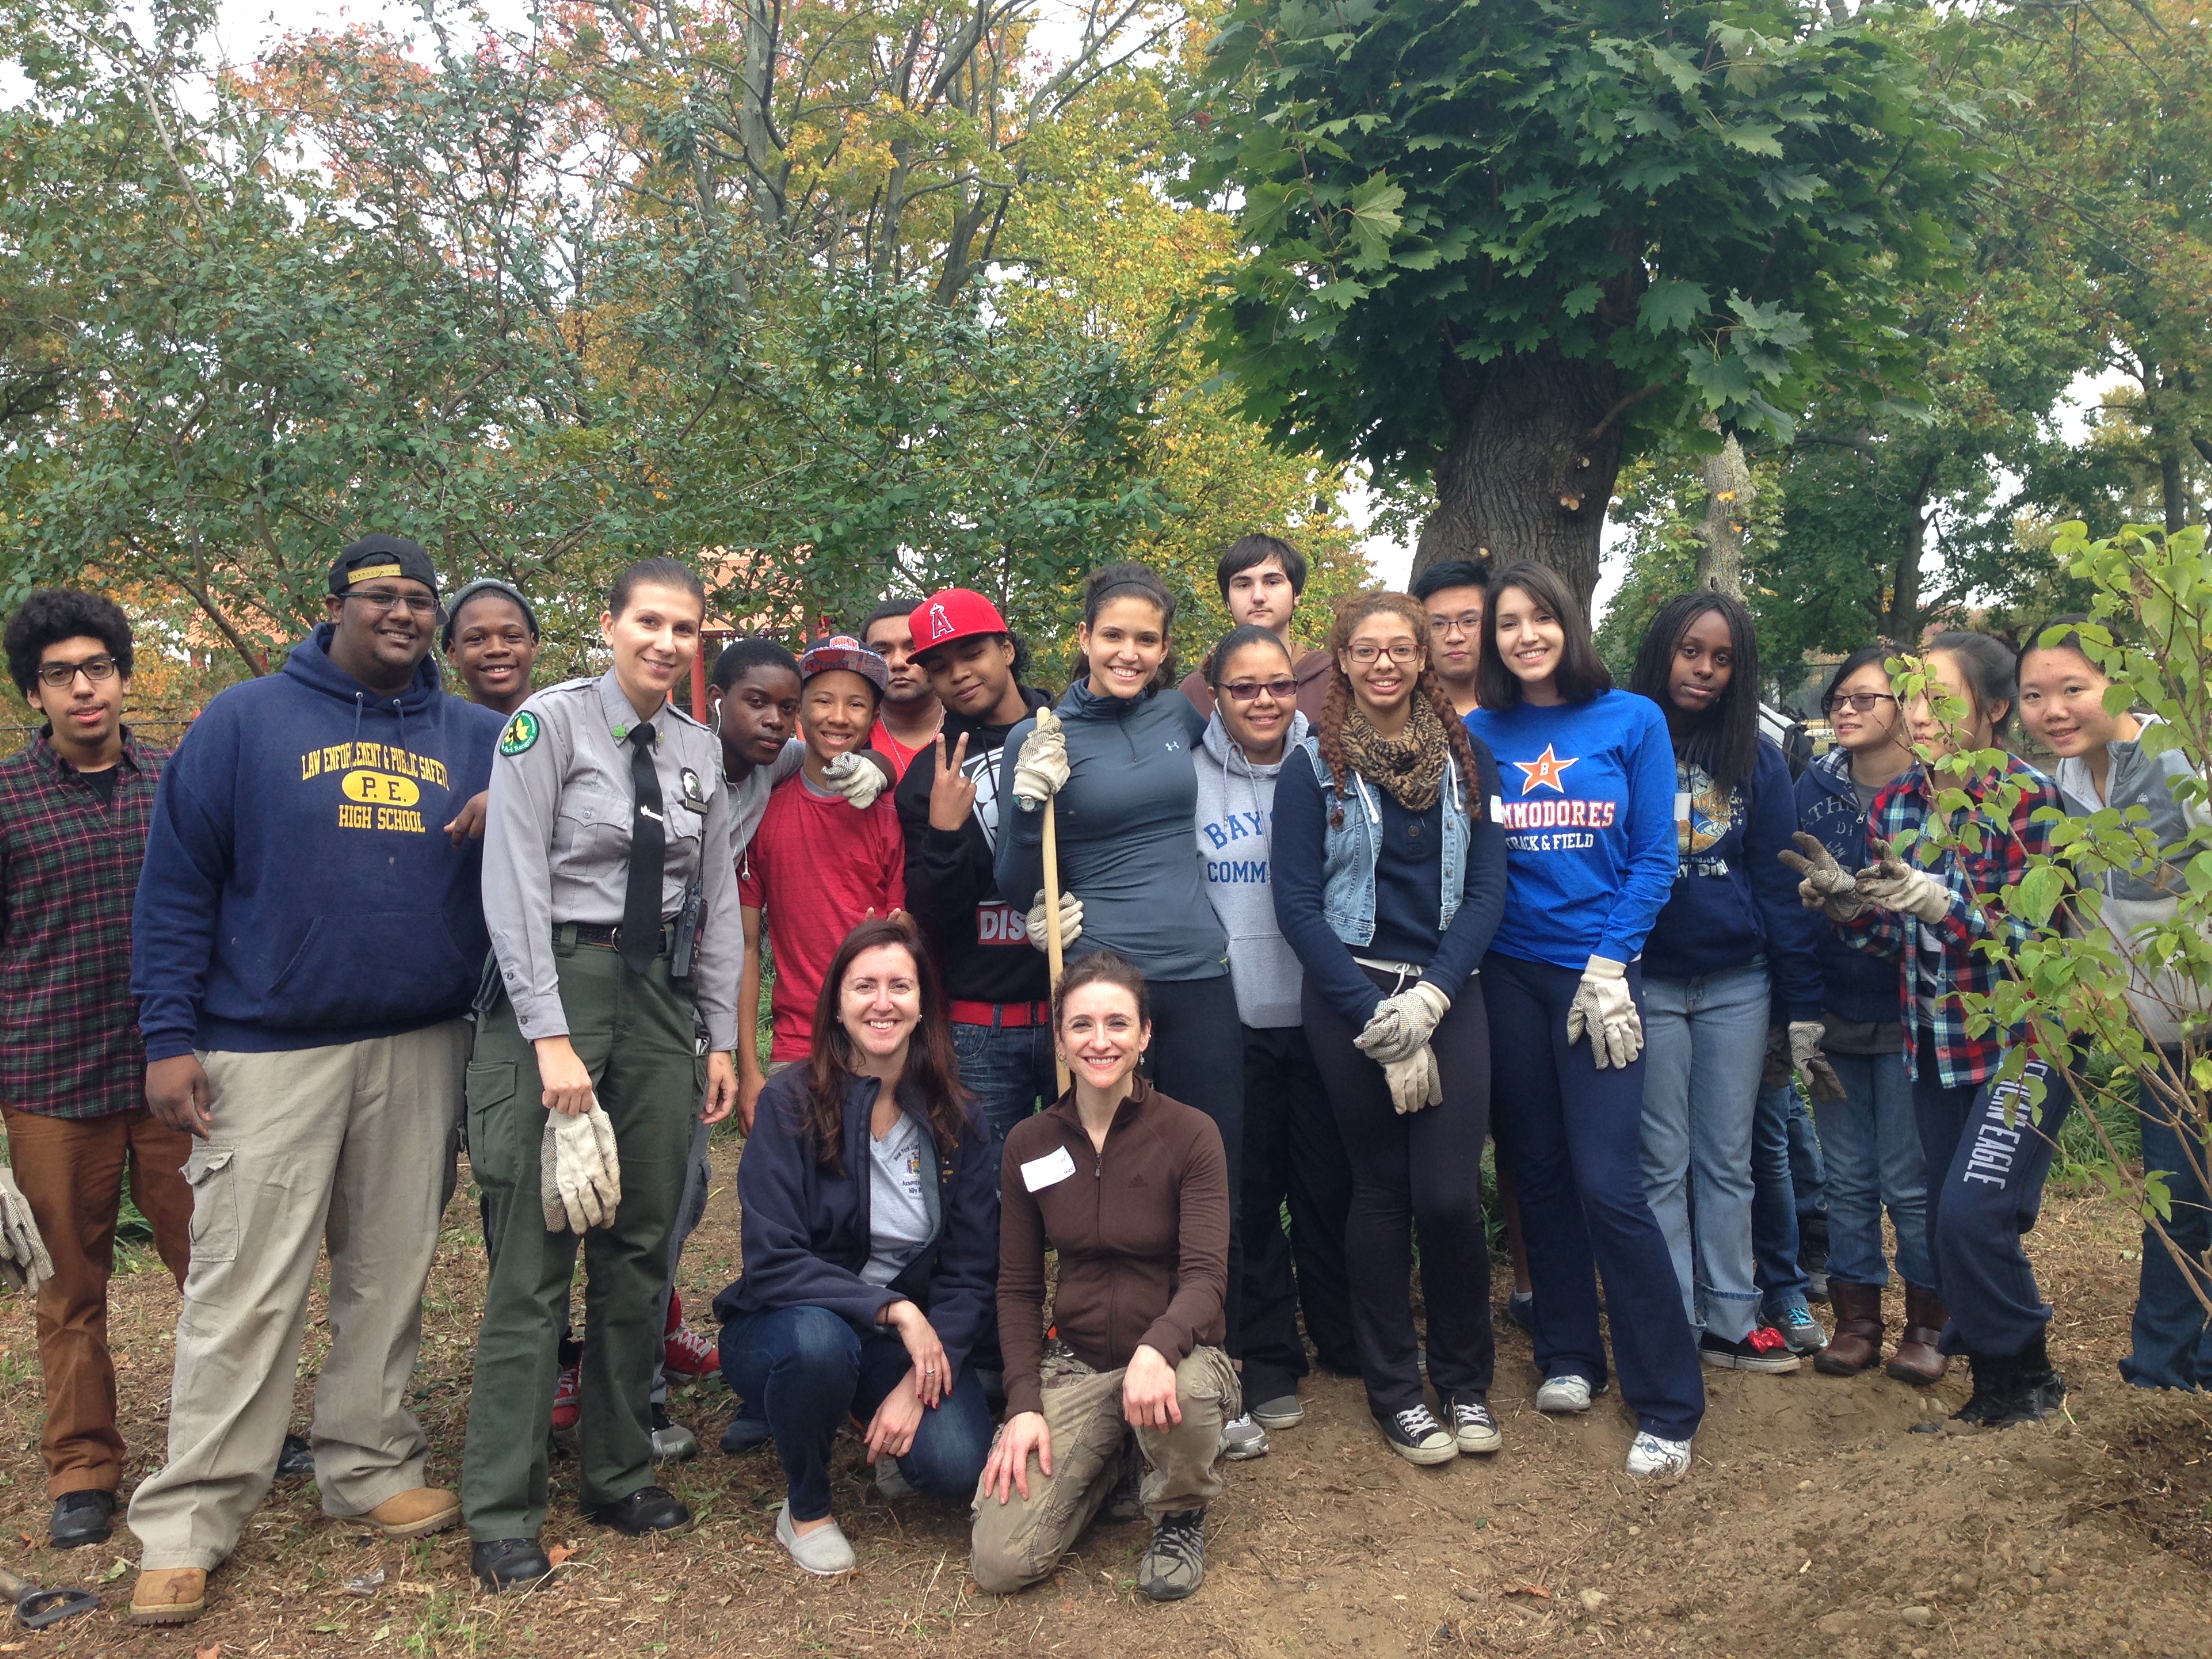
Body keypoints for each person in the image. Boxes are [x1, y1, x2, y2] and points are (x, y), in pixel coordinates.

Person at [125, 535, 500, 1626]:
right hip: (264, 1049)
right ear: (330, 605)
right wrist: (168, 1035)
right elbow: (177, 887)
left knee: (389, 1275)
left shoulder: (477, 736)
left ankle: (369, 1465)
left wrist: (513, 811)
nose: (403, 613)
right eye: (381, 596)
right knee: (245, 1290)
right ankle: (191, 1514)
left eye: (420, 599)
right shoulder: (243, 723)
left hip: (422, 1042)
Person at [461, 556, 743, 1588]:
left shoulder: (698, 751)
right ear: (611, 625)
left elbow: (714, 900)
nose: (667, 642)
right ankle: (501, 1504)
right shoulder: (548, 725)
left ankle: (619, 1467)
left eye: (686, 628)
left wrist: (716, 1037)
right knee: (533, 1263)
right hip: (558, 985)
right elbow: (515, 881)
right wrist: (546, 1036)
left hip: (660, 1001)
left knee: (639, 1250)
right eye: (650, 622)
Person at [1788, 631, 2067, 1426]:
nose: (1923, 714)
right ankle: (2002, 1388)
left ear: (1995, 708)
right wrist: (1851, 906)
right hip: (1935, 1047)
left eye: (1942, 698)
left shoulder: (2030, 801)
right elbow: (1901, 942)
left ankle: (2030, 1374)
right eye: (1913, 696)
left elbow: (2040, 954)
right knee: (1954, 1222)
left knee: (1971, 1213)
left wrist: (1948, 904)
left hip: (2019, 1045)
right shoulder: (1896, 804)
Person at [1465, 560, 1704, 1483]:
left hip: (1599, 973)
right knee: (1540, 1170)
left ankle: (1670, 1400)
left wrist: (1611, 964)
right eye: (1507, 624)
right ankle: (1569, 1353)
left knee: (1611, 1183)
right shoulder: (1479, 729)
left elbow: (1653, 856)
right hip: (1511, 975)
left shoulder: (1633, 721)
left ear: (1569, 623)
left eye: (1539, 619)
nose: (1525, 636)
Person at [1273, 594, 1509, 1465]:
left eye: (1399, 649)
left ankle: (1466, 1381)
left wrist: (1433, 999)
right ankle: (1398, 1392)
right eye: (1365, 650)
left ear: (1422, 660)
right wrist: (1373, 1010)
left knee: (1448, 1198)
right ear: (1339, 660)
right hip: (1352, 1001)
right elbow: (1296, 906)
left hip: (1449, 997)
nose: (1384, 663)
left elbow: (1486, 891)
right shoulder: (1313, 768)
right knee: (1377, 1191)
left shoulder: (1468, 758)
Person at [996, 564, 1246, 1367]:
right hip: (1103, 981)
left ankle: (1207, 1349)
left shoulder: (1182, 713)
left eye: (1146, 639)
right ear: (1084, 639)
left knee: (1210, 1166)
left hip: (1198, 968)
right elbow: (1012, 873)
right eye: (1114, 636)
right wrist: (1030, 801)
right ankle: (1102, 1344)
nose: (1129, 653)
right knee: (1109, 1173)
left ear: (1166, 648)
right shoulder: (1037, 736)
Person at [716, 916, 997, 1574]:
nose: (882, 1001)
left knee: (957, 1463)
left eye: (900, 985)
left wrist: (915, 1385)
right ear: (837, 1004)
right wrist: (893, 1310)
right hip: (785, 1324)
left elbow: (971, 1268)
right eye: (864, 985)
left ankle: (866, 1410)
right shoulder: (789, 1103)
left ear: (923, 1003)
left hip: (892, 1341)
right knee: (819, 1346)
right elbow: (774, 1259)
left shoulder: (959, 1116)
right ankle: (806, 1507)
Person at [0, 592, 190, 1551]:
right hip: (49, 1080)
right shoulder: (5, 800)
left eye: (99, 668)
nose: (84, 687)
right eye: (60, 674)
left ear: (123, 676)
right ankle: (84, 1466)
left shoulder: (176, 780)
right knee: (69, 1287)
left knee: (216, 1269)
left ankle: (229, 1433)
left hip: (173, 1075)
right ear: (34, 691)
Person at [972, 951, 1235, 1603]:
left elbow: (1206, 1277)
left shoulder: (1190, 1134)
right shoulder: (1030, 1143)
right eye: (1081, 1025)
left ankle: (1179, 1511)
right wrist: (1024, 1405)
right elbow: (1017, 1289)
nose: (1100, 1041)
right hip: (1079, 1362)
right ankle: (1118, 1455)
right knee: (1000, 1563)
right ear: (1059, 1038)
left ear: (1145, 1035)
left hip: (1179, 1358)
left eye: (1117, 1023)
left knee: (1192, 1394)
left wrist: (1159, 1344)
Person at [1626, 592, 1830, 1370]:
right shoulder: (1622, 741)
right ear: (1661, 653)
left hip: (1737, 984)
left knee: (1726, 1158)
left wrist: (1799, 1005)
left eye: (1722, 659)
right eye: (1690, 652)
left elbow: (1780, 886)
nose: (1705, 671)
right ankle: (1670, 1318)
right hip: (1646, 981)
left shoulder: (1756, 757)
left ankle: (1732, 1319)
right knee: (1660, 1160)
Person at [2018, 619, 2211, 1391]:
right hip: (2156, 1043)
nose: (2053, 710)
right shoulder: (2064, 784)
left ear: (2119, 685)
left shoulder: (2179, 763)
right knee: (2177, 1211)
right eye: (2035, 695)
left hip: (2202, 1026)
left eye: (2074, 689)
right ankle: (2163, 1379)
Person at [1193, 626, 1357, 1457]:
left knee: (1330, 1184)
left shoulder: (1333, 765)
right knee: (1249, 1196)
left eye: (1279, 686)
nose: (1264, 701)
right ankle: (1267, 1357)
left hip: (1324, 1010)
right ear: (1216, 694)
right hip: (1235, 1017)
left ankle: (1342, 1332)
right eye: (1244, 687)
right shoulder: (1190, 777)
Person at [1790, 647, 1941, 1382]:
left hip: (1916, 1013)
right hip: (1834, 1010)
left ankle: (1927, 1323)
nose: (1846, 711)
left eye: (1866, 699)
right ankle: (1856, 1319)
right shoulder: (1811, 787)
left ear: (1908, 707)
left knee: (1909, 1180)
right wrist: (1798, 1006)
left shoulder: (1937, 792)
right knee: (1846, 1176)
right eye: (1838, 699)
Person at [895, 590, 1056, 1162]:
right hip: (981, 1026)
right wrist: (942, 832)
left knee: (1098, 1193)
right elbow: (932, 917)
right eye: (939, 666)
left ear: (1006, 649)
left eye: (973, 653)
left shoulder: (1067, 731)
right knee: (986, 1204)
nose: (958, 675)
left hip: (1078, 1009)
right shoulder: (928, 774)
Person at [739, 637, 907, 1124]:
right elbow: (747, 947)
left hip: (883, 1040)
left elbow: (905, 929)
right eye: (823, 701)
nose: (839, 717)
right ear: (799, 713)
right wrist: (749, 1070)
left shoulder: (891, 815)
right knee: (790, 1193)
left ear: (874, 719)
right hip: (798, 1044)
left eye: (856, 704)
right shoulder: (763, 810)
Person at [1176, 535, 1333, 720]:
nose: (1258, 596)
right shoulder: (1195, 692)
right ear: (1227, 600)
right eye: (1243, 585)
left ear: (1296, 594)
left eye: (1272, 582)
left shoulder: (1332, 681)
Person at [861, 598, 944, 778]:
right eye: (882, 652)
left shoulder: (975, 727)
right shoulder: (848, 736)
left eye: (913, 648)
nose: (899, 663)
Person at [443, 578, 541, 716]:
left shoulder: (571, 724)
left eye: (512, 637)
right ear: (454, 654)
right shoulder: (445, 734)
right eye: (477, 639)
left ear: (532, 647)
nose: (497, 649)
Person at [1412, 560, 1488, 719]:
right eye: (1438, 624)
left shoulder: (1525, 706)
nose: (1454, 637)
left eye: (1469, 621)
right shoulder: (1403, 717)